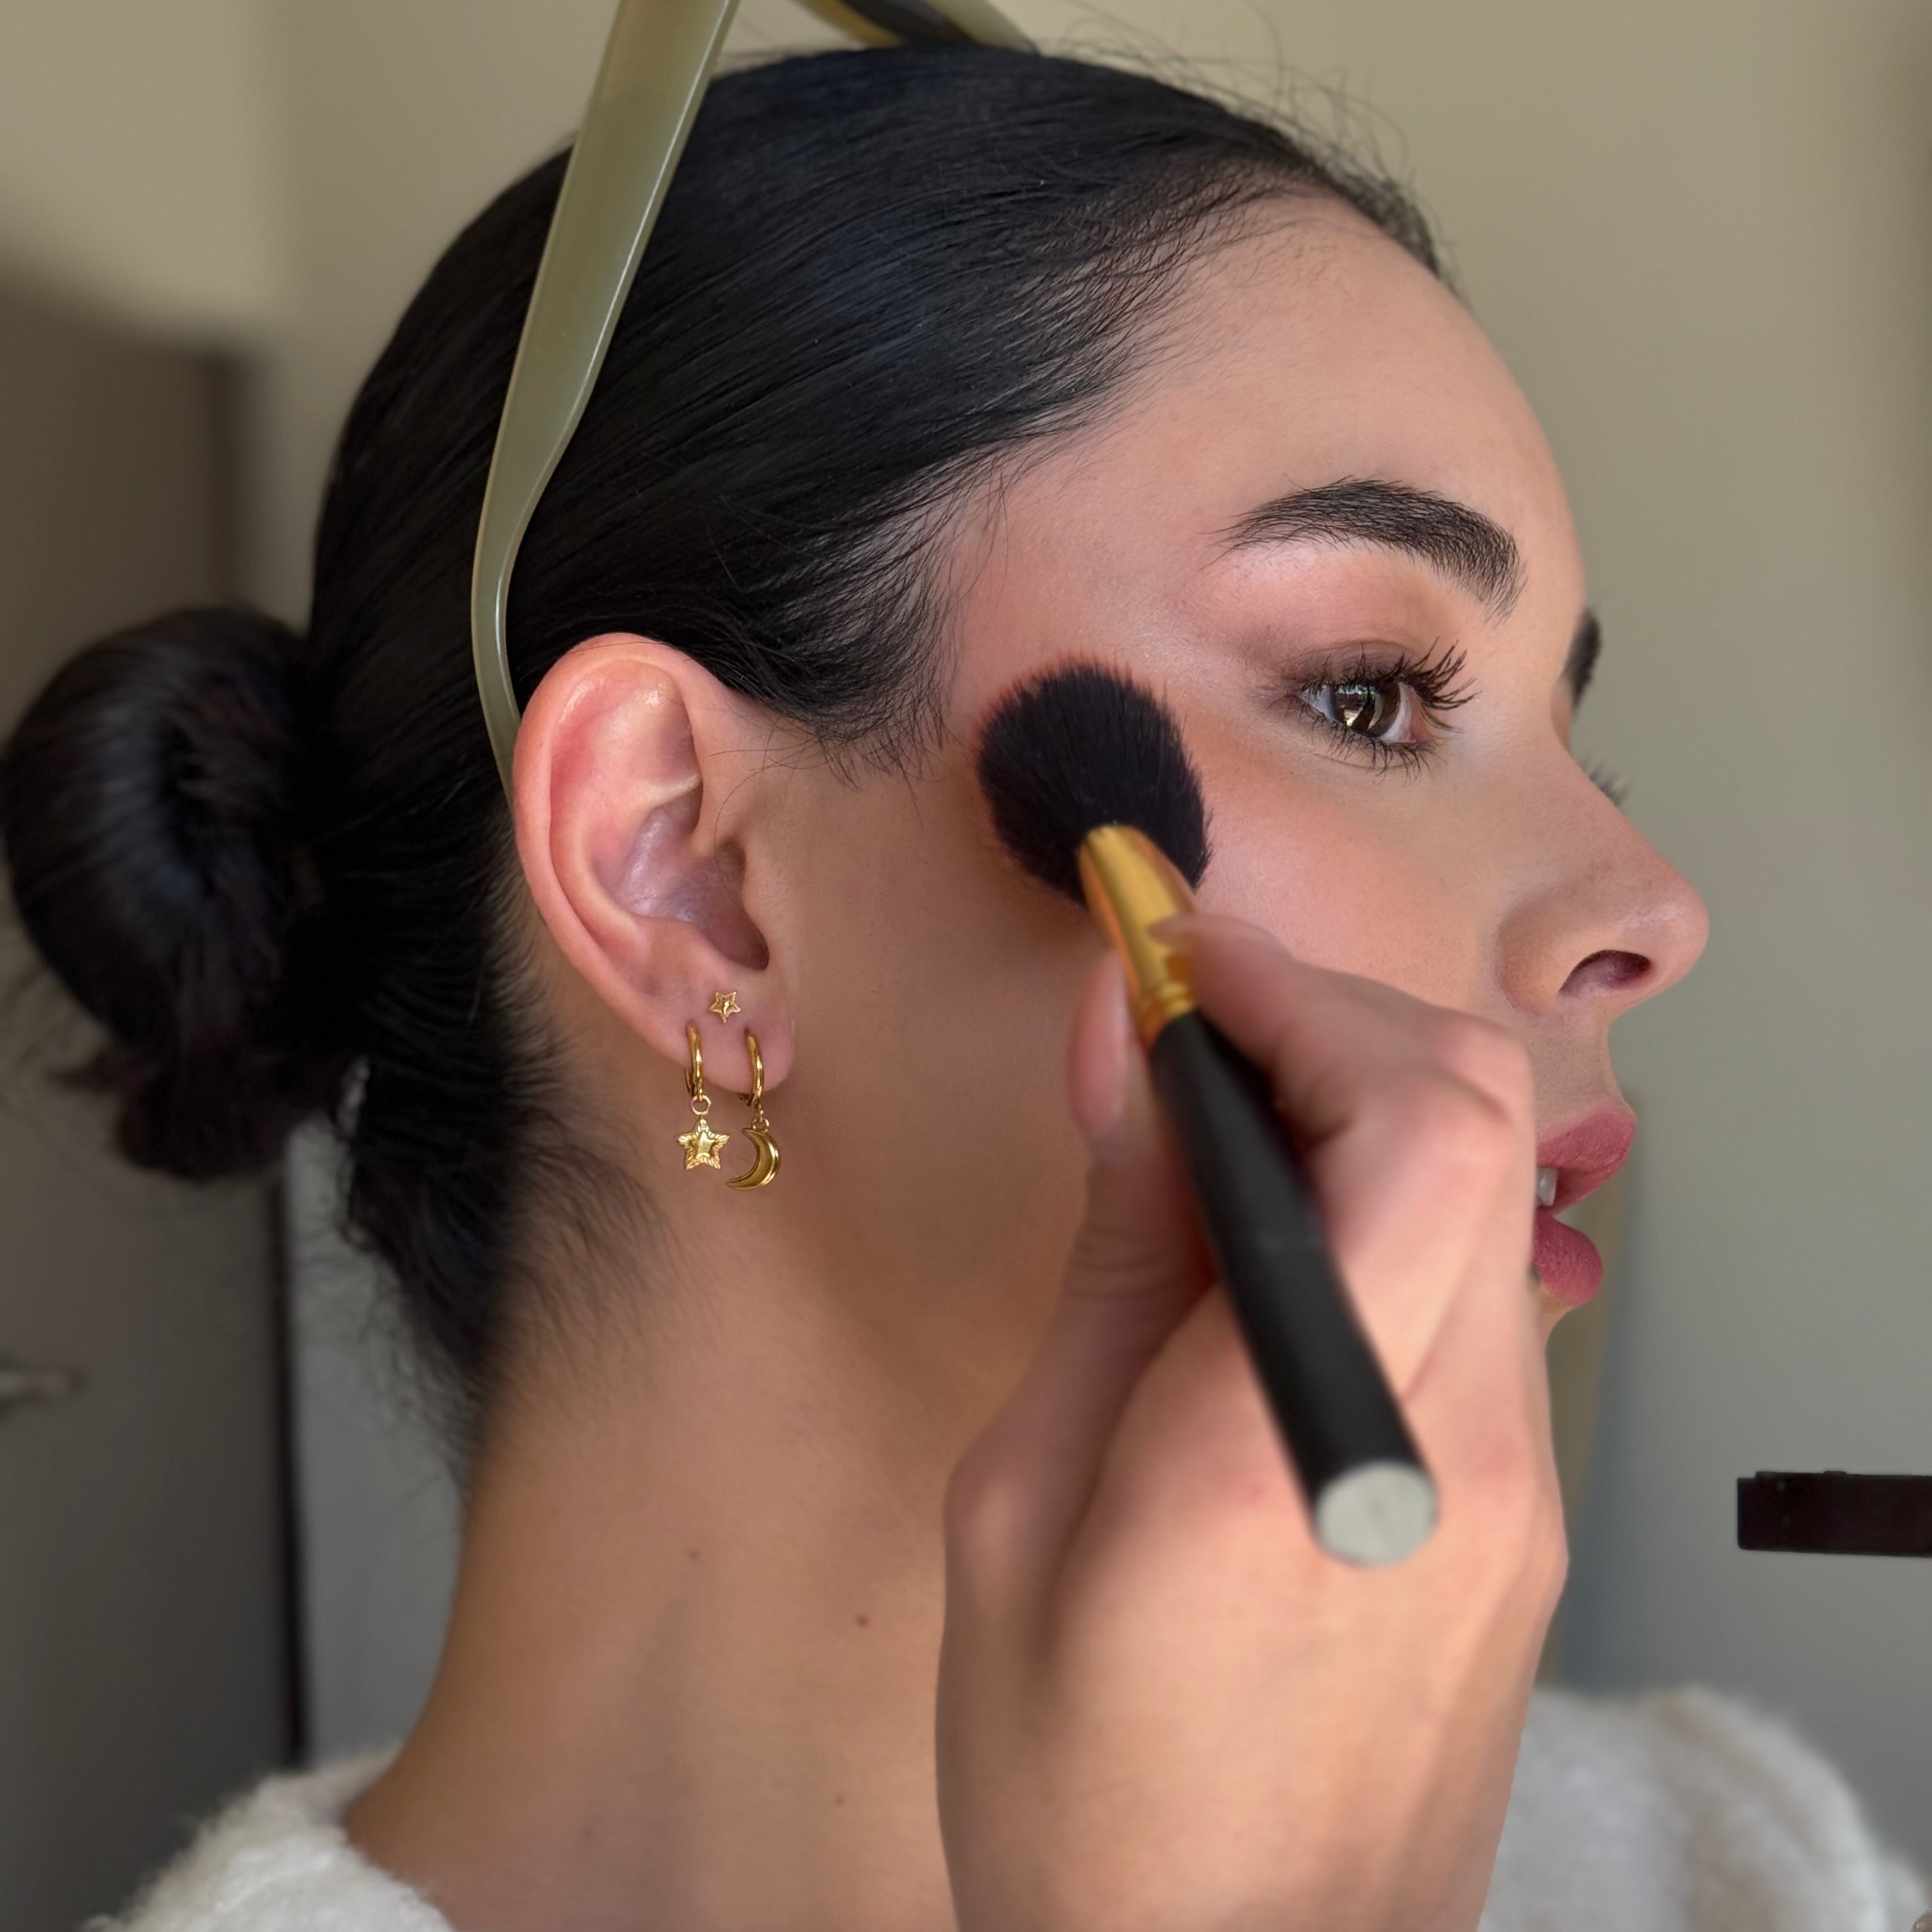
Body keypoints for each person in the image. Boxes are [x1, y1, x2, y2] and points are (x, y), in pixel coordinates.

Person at [4, 45, 1920, 1932]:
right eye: (1370, 697)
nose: (1654, 908)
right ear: (689, 869)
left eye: (1578, 738)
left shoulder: (1747, 1871)